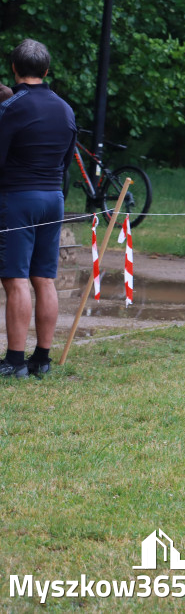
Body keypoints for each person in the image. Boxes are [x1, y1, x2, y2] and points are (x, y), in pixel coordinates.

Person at [0, 39, 77, 378]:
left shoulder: (10, 107)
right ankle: (41, 359)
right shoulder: (65, 108)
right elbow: (66, 160)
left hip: (17, 199)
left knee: (15, 279)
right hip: (53, 198)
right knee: (45, 278)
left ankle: (15, 361)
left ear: (14, 69)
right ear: (46, 71)